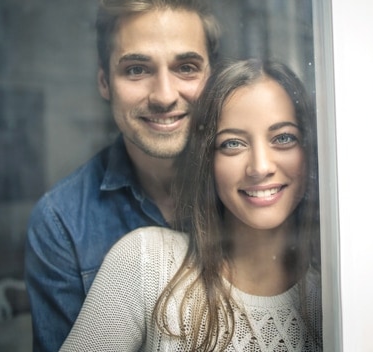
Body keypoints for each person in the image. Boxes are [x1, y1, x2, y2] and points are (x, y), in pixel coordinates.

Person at [59, 59, 322, 351]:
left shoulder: (338, 297)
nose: (259, 167)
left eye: (283, 138)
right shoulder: (146, 263)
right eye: (232, 143)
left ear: (311, 151)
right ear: (208, 161)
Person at [24, 0, 221, 352]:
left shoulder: (254, 187)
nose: (164, 95)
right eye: (136, 69)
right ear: (104, 83)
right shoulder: (61, 223)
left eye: (186, 68)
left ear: (213, 77)